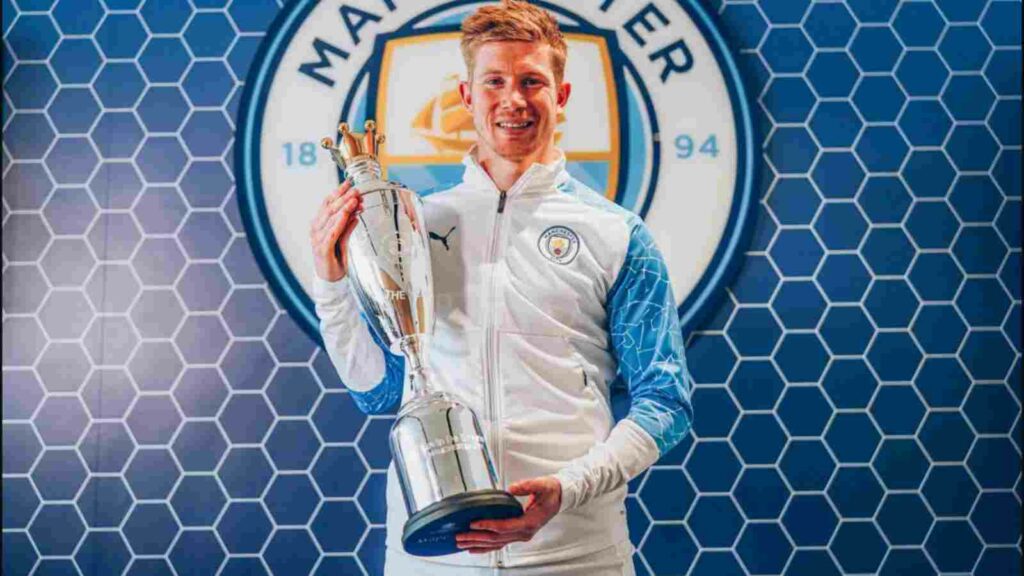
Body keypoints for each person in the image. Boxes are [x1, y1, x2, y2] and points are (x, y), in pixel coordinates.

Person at [309, 2, 692, 574]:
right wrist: (331, 280)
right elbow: (378, 392)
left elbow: (667, 403)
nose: (513, 100)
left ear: (560, 97)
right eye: (495, 81)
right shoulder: (415, 226)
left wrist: (569, 488)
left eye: (532, 81)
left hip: (576, 552)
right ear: (466, 96)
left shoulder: (618, 234)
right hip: (436, 554)